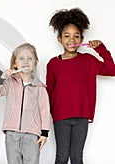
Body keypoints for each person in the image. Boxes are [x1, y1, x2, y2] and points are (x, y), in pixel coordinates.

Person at [46, 8, 115, 164]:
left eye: (76, 36)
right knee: (62, 157)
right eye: (67, 36)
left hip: (82, 117)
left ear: (82, 38)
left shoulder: (88, 61)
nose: (72, 39)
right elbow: (48, 91)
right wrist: (49, 114)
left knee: (77, 157)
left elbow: (112, 70)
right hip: (60, 117)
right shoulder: (53, 64)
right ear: (59, 39)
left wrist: (101, 49)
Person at [0, 43, 50, 164]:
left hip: (32, 134)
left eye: (30, 58)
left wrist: (44, 133)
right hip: (11, 133)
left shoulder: (40, 87)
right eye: (21, 58)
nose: (26, 62)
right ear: (15, 64)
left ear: (35, 63)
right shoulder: (10, 82)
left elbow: (45, 110)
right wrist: (1, 78)